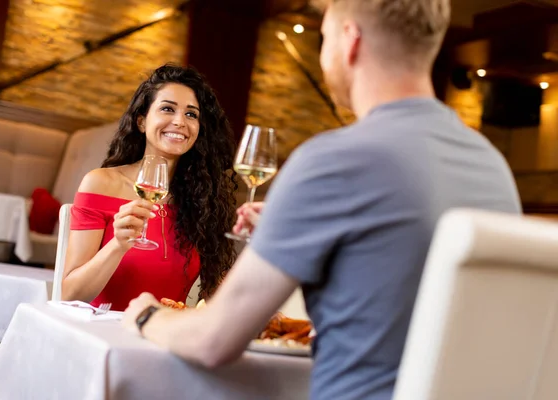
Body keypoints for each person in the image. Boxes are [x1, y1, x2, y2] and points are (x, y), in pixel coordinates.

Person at [122, 1, 522, 399]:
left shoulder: (334, 160)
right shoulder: (493, 167)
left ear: (350, 41)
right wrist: (298, 231)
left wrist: (146, 314)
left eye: (324, 36)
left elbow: (213, 340)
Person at [61, 64, 238, 311]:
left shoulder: (204, 200)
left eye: (191, 114)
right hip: (103, 334)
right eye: (167, 109)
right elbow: (70, 294)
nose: (179, 122)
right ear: (142, 121)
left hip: (165, 337)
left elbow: (215, 296)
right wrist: (118, 244)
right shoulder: (101, 183)